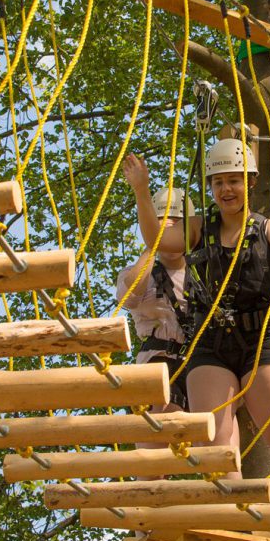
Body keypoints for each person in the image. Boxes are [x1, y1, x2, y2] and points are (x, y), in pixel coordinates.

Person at [124, 141, 270, 541]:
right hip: (211, 341)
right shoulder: (199, 230)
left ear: (249, 182)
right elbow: (159, 237)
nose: (226, 189)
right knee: (215, 443)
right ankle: (239, 524)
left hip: (260, 337)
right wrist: (143, 191)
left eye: (233, 181)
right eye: (218, 183)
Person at [115, 173, 197, 414]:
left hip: (199, 364)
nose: (169, 225)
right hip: (157, 362)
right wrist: (155, 242)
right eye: (162, 220)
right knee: (166, 410)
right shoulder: (139, 272)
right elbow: (129, 296)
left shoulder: (205, 272)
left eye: (176, 220)